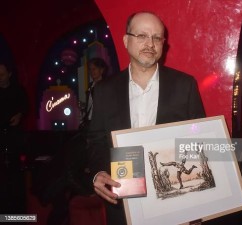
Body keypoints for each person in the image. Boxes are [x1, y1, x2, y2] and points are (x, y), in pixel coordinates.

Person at [87, 11, 205, 224]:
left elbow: (198, 142)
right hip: (124, 203)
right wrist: (97, 173)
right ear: (126, 40)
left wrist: (195, 202)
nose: (150, 43)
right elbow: (95, 141)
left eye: (157, 37)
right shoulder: (104, 90)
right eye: (142, 36)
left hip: (174, 204)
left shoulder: (185, 85)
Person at [0, 60, 28, 213]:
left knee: (15, 174)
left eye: (2, 74)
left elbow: (25, 107)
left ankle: (17, 211)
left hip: (14, 137)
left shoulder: (18, 90)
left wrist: (19, 115)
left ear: (9, 74)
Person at [79, 57, 108, 130]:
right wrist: (84, 106)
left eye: (94, 69)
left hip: (100, 122)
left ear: (101, 70)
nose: (91, 72)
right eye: (90, 69)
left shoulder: (106, 85)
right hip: (89, 120)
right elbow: (91, 104)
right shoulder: (90, 85)